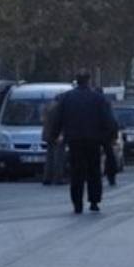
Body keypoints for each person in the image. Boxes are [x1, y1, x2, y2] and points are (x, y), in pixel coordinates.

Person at [48, 73, 114, 214]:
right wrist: (107, 138)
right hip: (93, 140)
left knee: (77, 173)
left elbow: (58, 119)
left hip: (74, 141)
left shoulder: (67, 98)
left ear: (77, 81)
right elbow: (107, 120)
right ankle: (94, 201)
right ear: (89, 81)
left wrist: (53, 136)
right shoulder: (98, 98)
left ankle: (77, 203)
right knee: (93, 171)